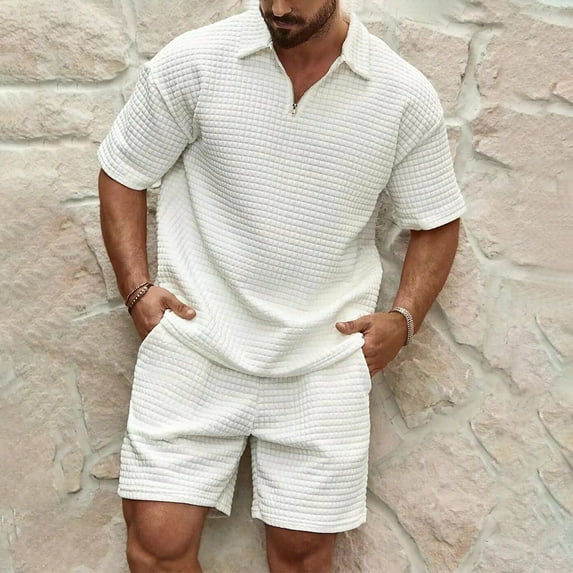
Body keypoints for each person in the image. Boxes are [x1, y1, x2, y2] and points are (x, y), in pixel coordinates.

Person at [97, 0, 465, 571]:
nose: (278, 7)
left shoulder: (401, 94)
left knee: (302, 559)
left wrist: (404, 318)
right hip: (195, 346)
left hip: (322, 363)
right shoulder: (195, 61)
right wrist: (137, 289)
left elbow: (437, 220)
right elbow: (123, 170)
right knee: (156, 550)